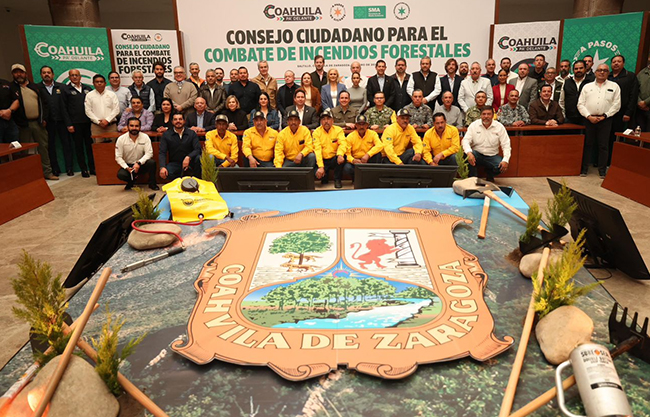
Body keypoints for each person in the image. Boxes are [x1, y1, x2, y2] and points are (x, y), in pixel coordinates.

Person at [10, 63, 56, 180]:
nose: (18, 74)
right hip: (22, 125)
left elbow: (45, 104)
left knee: (43, 148)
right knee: (23, 150)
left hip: (38, 123)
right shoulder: (11, 88)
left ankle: (47, 172)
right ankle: (28, 176)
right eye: (16, 72)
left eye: (21, 72)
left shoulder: (36, 87)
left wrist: (44, 118)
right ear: (12, 74)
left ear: (25, 73)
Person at [577, 64, 621, 178]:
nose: (602, 72)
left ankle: (602, 171)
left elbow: (616, 105)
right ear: (595, 72)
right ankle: (584, 169)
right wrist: (588, 116)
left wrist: (605, 116)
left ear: (608, 73)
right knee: (587, 144)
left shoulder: (614, 86)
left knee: (603, 146)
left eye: (605, 70)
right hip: (589, 119)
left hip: (605, 120)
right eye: (600, 70)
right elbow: (580, 104)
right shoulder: (587, 86)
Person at [38, 66, 73, 176]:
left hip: (62, 121)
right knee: (50, 146)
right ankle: (55, 169)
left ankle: (69, 168)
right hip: (48, 122)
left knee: (67, 145)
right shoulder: (37, 88)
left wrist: (69, 123)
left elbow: (68, 105)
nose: (46, 74)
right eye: (44, 73)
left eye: (48, 72)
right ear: (41, 75)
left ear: (53, 74)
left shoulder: (62, 87)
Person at [462, 106, 511, 181]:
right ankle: (473, 178)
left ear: (493, 115)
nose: (486, 116)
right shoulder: (474, 125)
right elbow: (465, 140)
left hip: (492, 156)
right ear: (480, 115)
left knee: (500, 166)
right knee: (467, 154)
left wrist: (505, 160)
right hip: (477, 154)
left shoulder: (499, 127)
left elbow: (506, 145)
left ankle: (489, 174)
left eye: (489, 114)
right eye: (484, 114)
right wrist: (469, 153)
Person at [62, 69, 94, 176]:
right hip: (75, 124)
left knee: (90, 146)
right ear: (69, 77)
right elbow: (64, 108)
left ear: (80, 77)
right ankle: (83, 169)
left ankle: (92, 168)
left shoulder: (87, 88)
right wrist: (69, 124)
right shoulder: (66, 90)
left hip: (88, 122)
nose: (75, 77)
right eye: (72, 75)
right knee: (79, 147)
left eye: (76, 75)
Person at [608, 55, 639, 158]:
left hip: (621, 113)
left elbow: (633, 96)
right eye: (614, 62)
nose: (616, 63)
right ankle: (604, 161)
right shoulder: (608, 76)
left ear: (623, 63)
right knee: (606, 137)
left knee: (617, 137)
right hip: (607, 113)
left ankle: (615, 160)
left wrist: (628, 113)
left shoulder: (630, 76)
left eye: (619, 61)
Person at [115, 117, 157, 190]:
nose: (134, 128)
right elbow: (118, 157)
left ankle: (152, 184)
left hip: (141, 164)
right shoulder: (121, 139)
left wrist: (139, 163)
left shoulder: (145, 137)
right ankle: (131, 181)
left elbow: (149, 153)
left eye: (136, 126)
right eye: (131, 126)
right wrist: (126, 167)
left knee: (152, 163)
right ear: (127, 127)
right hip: (128, 165)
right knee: (121, 175)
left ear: (140, 127)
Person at [159, 113, 201, 180]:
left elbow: (198, 149)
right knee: (168, 172)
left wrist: (188, 157)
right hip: (175, 163)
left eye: (180, 119)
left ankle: (197, 182)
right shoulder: (166, 135)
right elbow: (162, 152)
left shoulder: (191, 133)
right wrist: (162, 167)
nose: (178, 121)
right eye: (175, 119)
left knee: (199, 158)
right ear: (172, 122)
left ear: (184, 121)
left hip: (191, 162)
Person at [342, 113, 383, 180]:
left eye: (363, 124)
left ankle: (373, 178)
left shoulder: (373, 134)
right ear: (356, 125)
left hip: (368, 159)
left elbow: (380, 145)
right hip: (356, 161)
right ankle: (356, 179)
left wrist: (368, 155)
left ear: (367, 125)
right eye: (359, 124)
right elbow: (347, 154)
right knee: (347, 168)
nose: (361, 127)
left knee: (378, 154)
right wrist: (353, 160)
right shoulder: (350, 136)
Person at [312, 109, 346, 187]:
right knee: (320, 177)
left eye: (328, 119)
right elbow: (317, 150)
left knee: (342, 157)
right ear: (321, 121)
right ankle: (324, 176)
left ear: (332, 121)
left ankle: (337, 179)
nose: (326, 121)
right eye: (323, 119)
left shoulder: (338, 130)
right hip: (323, 159)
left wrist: (340, 154)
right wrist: (321, 166)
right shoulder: (316, 132)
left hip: (334, 158)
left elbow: (343, 144)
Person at [84, 74, 120, 138]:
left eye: (101, 82)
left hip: (111, 126)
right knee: (97, 144)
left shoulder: (112, 94)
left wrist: (107, 120)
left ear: (105, 83)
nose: (99, 83)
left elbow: (116, 109)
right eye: (97, 82)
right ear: (93, 83)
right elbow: (88, 111)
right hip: (96, 127)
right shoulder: (89, 95)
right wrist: (98, 122)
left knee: (113, 144)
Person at [559, 60, 592, 125]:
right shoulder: (567, 82)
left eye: (581, 68)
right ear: (573, 70)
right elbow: (561, 101)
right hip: (569, 118)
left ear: (585, 69)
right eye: (576, 69)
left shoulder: (591, 81)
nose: (578, 70)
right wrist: (563, 115)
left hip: (587, 118)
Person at [0, 77, 19, 143]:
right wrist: (1, 113)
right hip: (3, 116)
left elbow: (16, 100)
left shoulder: (6, 83)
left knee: (15, 144)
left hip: (9, 119)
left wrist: (10, 110)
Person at [638, 56, 650, 131]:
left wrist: (646, 102)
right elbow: (635, 89)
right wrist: (639, 102)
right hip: (640, 109)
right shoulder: (642, 73)